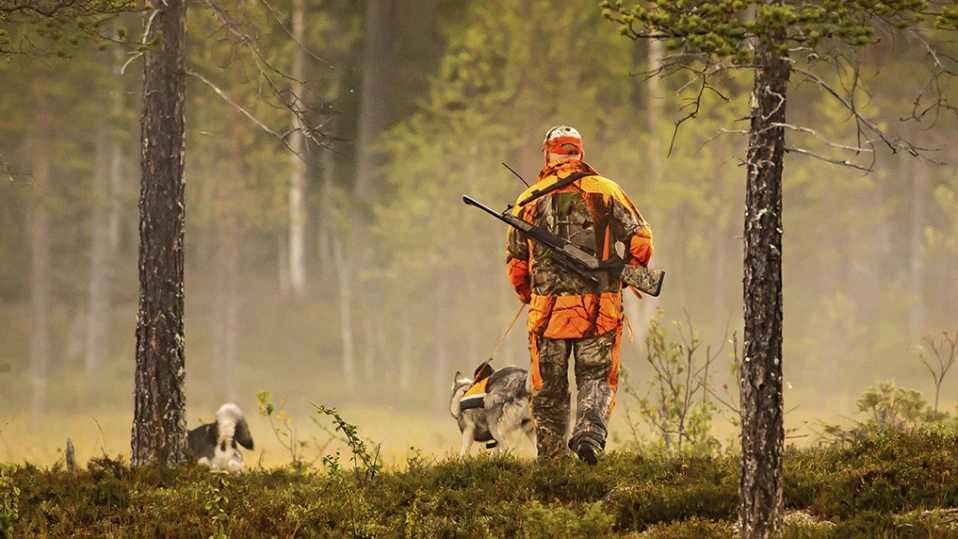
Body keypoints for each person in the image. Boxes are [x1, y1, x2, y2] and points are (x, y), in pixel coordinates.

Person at [505, 125, 654, 464]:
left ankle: (554, 467)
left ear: (548, 153)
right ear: (580, 154)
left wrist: (530, 294)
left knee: (549, 394)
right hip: (599, 310)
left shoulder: (529, 200)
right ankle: (589, 433)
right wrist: (622, 276)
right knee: (597, 379)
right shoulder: (606, 191)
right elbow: (642, 240)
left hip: (546, 316)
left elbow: (516, 263)